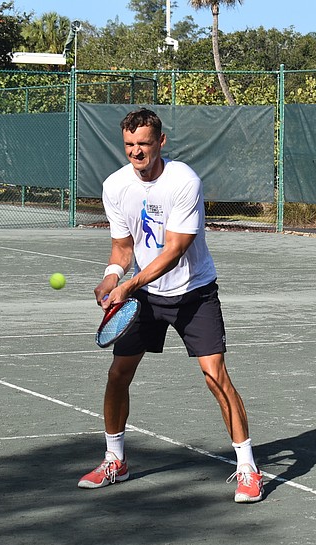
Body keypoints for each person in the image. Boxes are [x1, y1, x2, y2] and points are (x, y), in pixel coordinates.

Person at [78, 108, 263, 503]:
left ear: (161, 142)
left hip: (193, 293)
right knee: (117, 375)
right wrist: (112, 276)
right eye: (129, 145)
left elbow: (175, 250)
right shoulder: (115, 186)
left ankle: (248, 467)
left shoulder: (183, 181)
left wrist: (129, 284)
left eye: (143, 144)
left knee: (215, 376)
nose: (136, 152)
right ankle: (115, 460)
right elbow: (123, 247)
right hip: (146, 297)